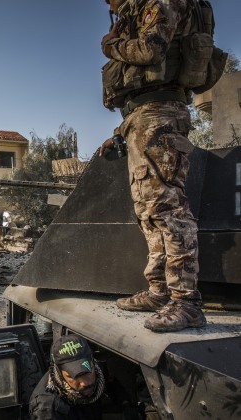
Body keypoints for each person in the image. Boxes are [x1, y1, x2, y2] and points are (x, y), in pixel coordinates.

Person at [98, 0, 206, 332]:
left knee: (167, 207)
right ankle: (160, 290)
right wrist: (121, 131)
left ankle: (187, 303)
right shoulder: (137, 9)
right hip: (142, 117)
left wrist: (111, 45)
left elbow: (151, 49)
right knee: (147, 211)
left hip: (159, 115)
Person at [29, 334, 105, 419]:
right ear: (59, 373)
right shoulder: (47, 408)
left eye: (87, 373)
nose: (85, 383)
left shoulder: (98, 371)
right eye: (74, 376)